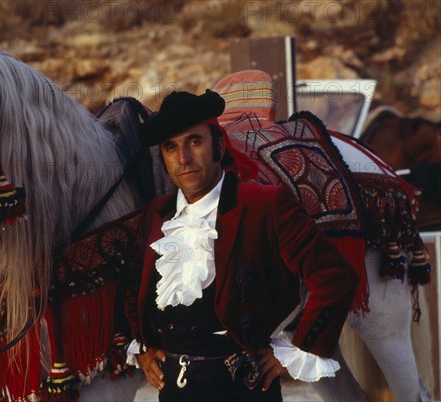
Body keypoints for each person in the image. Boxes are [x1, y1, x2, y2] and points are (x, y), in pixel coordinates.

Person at [124, 89, 358, 402]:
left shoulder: (265, 204)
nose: (183, 158)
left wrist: (297, 350)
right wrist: (143, 348)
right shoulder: (155, 215)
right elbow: (129, 289)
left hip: (245, 388)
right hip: (175, 392)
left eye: (195, 141)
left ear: (218, 145)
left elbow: (335, 277)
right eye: (171, 147)